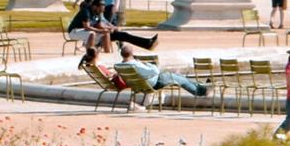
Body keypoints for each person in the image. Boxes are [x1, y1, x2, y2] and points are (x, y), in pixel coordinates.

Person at [81, 39, 210, 109]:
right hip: (150, 84)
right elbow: (155, 71)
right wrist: (149, 65)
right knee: (178, 78)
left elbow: (111, 75)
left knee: (177, 77)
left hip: (139, 83)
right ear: (131, 54)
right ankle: (201, 90)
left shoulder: (119, 65)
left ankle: (201, 87)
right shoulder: (133, 64)